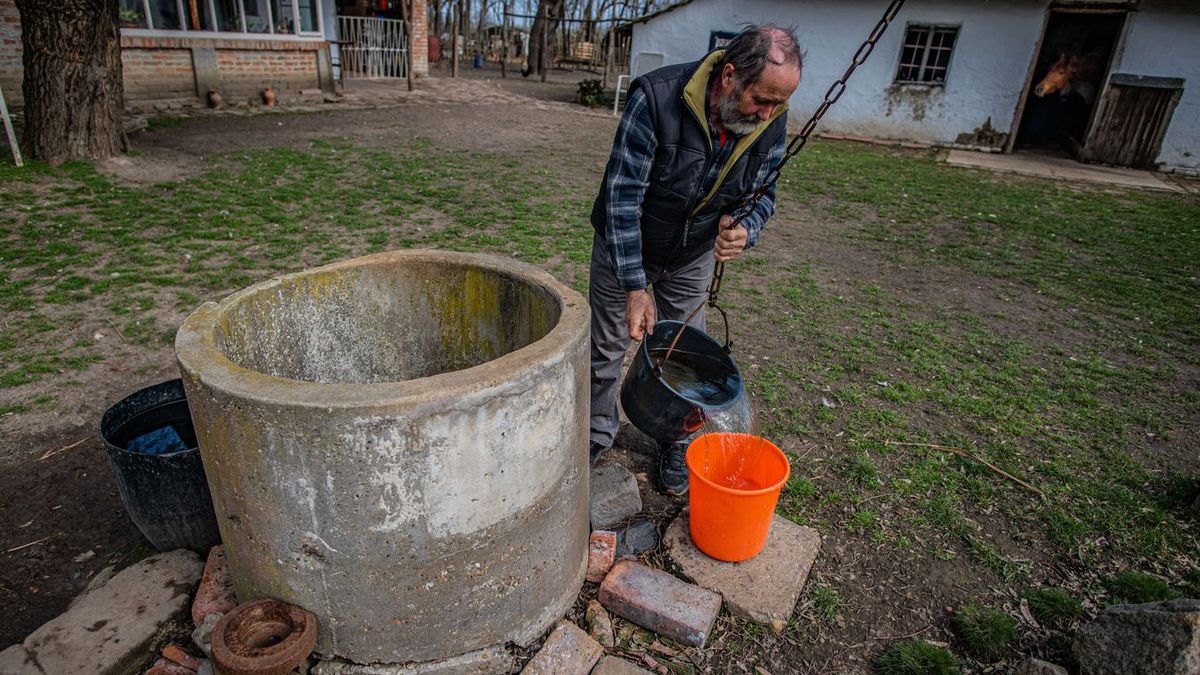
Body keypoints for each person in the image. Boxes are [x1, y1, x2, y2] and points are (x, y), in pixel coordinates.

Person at [588, 25, 803, 495]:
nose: (768, 113)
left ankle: (676, 444)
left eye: (777, 105)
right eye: (761, 100)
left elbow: (764, 191)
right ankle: (594, 436)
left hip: (691, 254)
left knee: (687, 355)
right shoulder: (658, 98)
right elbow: (622, 198)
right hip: (627, 243)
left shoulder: (770, 118)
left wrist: (747, 226)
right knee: (606, 351)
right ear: (729, 76)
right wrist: (634, 285)